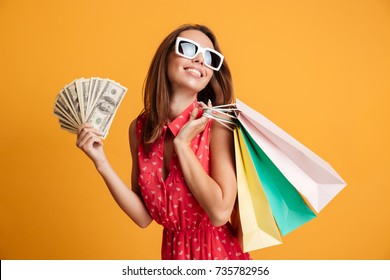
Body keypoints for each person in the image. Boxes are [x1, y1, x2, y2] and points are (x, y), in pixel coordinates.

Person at [76, 23, 251, 260]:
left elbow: (220, 213)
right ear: (166, 57)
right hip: (172, 255)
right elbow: (142, 217)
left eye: (210, 57)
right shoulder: (140, 129)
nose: (200, 60)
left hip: (218, 256)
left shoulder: (218, 124)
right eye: (189, 48)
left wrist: (182, 145)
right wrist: (101, 162)